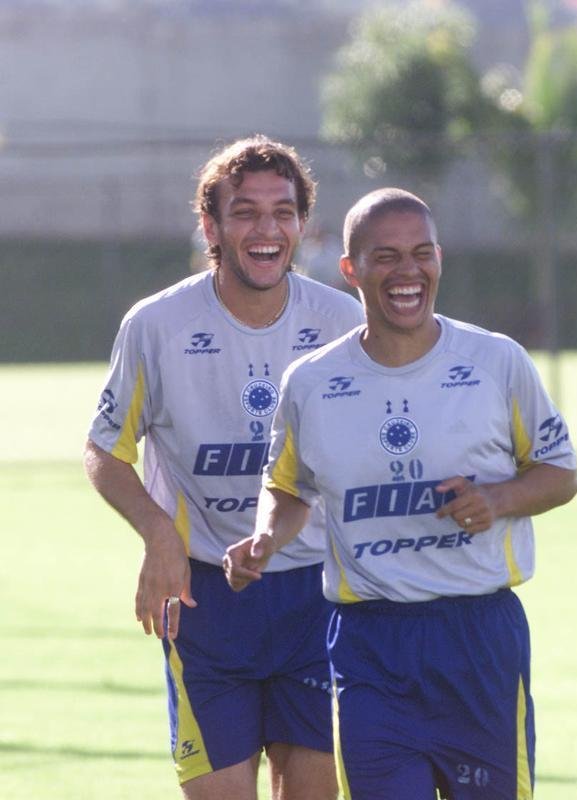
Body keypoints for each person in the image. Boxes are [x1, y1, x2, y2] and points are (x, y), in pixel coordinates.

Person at [223, 188, 577, 800]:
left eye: (421, 254)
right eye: (385, 257)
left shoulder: (497, 362)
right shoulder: (310, 383)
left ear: (439, 259)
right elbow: (285, 487)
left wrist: (496, 499)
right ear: (350, 270)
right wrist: (265, 536)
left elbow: (560, 473)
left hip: (477, 636)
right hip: (370, 643)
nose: (407, 271)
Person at [84, 135, 364, 800]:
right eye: (245, 212)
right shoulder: (157, 326)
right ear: (210, 226)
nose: (266, 229)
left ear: (301, 223)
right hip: (206, 603)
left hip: (316, 601)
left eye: (283, 212)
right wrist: (159, 536)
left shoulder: (341, 323)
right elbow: (104, 450)